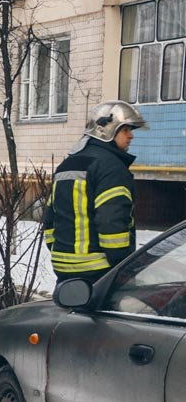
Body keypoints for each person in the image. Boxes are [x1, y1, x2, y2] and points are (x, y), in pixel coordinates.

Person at [44, 100, 146, 285]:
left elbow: (50, 217)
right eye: (125, 130)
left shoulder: (67, 164)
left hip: (63, 269)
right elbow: (111, 223)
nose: (131, 136)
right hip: (100, 271)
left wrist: (60, 251)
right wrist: (124, 266)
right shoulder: (112, 167)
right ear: (106, 129)